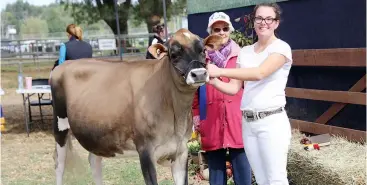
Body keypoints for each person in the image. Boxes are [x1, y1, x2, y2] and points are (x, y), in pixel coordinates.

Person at [206, 3, 292, 185]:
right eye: (259, 18)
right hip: (249, 123)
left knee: (276, 179)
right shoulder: (245, 52)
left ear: (276, 23)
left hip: (272, 122)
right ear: (254, 21)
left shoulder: (281, 48)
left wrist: (219, 72)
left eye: (269, 19)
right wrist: (212, 79)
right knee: (261, 180)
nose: (264, 22)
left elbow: (259, 73)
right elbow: (234, 88)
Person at [192, 12, 252, 185]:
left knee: (242, 169)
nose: (221, 32)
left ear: (230, 30)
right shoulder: (201, 58)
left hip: (236, 118)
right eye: (216, 29)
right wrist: (196, 115)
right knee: (216, 174)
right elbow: (195, 92)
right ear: (210, 32)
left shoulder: (241, 55)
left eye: (225, 28)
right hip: (211, 118)